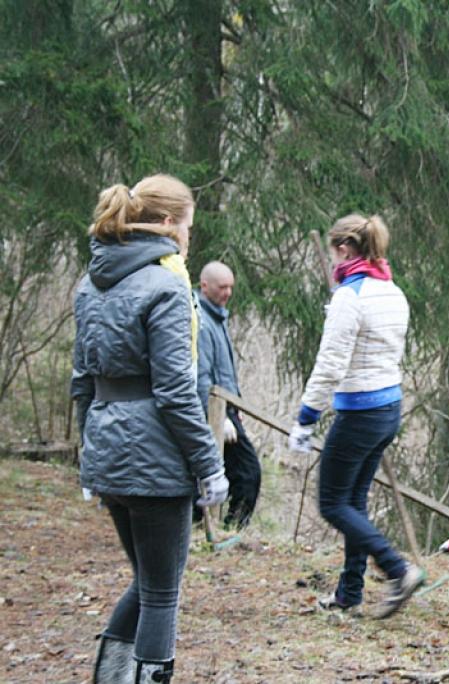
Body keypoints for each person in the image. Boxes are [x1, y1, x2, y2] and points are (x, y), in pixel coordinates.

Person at [71, 174, 229, 684]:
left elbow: (82, 382)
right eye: (187, 226)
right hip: (155, 457)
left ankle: (111, 679)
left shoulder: (89, 281)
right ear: (166, 224)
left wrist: (88, 456)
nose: (188, 237)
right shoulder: (166, 283)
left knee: (147, 581)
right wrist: (210, 467)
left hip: (107, 450)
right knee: (162, 591)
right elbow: (176, 391)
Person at [287, 213, 425, 619]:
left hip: (361, 412)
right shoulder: (390, 289)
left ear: (345, 249)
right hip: (387, 408)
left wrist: (306, 417)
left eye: (335, 252)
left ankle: (398, 569)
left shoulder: (351, 296)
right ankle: (350, 592)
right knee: (353, 502)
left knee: (332, 503)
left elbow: (330, 364)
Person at [195, 261, 262, 529]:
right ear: (205, 286)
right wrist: (218, 417)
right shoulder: (200, 319)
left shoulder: (217, 315)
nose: (228, 293)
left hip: (226, 407)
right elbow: (201, 375)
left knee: (240, 472)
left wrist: (237, 404)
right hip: (212, 409)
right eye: (222, 287)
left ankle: (225, 527)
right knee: (246, 472)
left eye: (231, 287)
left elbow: (224, 371)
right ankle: (223, 527)